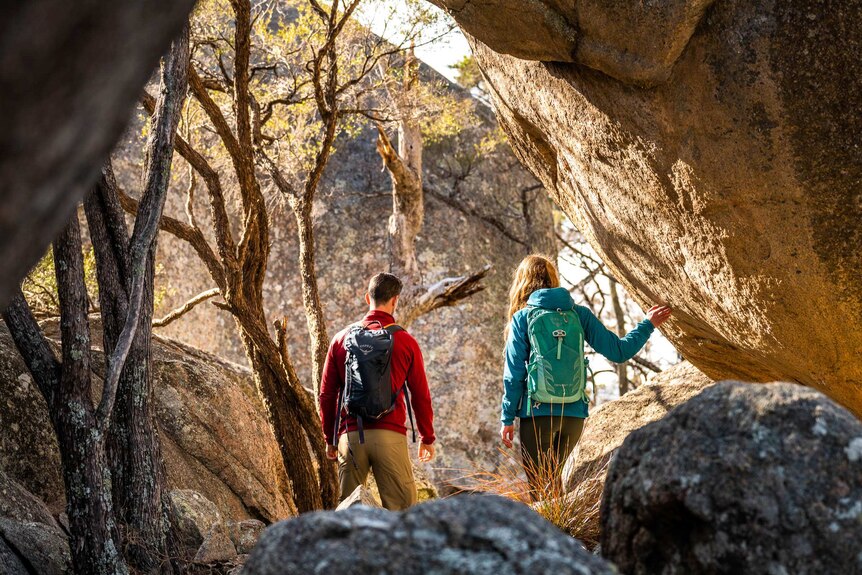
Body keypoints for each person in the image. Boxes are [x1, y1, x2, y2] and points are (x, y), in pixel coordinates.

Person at [500, 255, 671, 497]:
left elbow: (514, 373)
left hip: (538, 413)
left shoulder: (523, 318)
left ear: (523, 283)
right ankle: (564, 532)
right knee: (554, 487)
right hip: (573, 414)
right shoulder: (579, 314)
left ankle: (552, 534)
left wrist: (507, 417)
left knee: (542, 492)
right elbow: (619, 351)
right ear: (554, 279)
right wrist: (648, 323)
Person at [319, 272, 436, 510]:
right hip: (390, 434)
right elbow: (420, 395)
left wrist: (329, 439)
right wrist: (427, 437)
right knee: (402, 513)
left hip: (351, 437)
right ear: (395, 300)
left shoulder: (341, 339)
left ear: (367, 298)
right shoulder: (406, 341)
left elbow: (327, 395)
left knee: (349, 514)